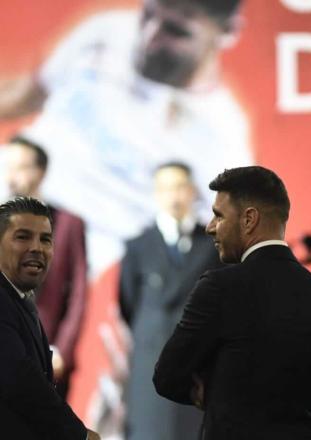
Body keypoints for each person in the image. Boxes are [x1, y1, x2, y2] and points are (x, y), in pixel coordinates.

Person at [0, 0, 252, 273]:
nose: (150, 37)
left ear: (227, 31)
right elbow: (28, 96)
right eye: (148, 16)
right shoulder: (108, 32)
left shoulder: (220, 137)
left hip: (62, 248)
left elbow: (223, 242)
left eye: (176, 31)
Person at [153, 166, 311, 439]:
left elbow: (168, 377)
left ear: (249, 219)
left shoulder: (220, 287)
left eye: (219, 216)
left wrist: (211, 388)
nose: (210, 227)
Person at [119, 162, 220, 440]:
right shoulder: (137, 247)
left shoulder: (215, 245)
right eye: (164, 189)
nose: (173, 196)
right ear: (155, 194)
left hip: (201, 369)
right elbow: (129, 304)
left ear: (192, 191)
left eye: (180, 187)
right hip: (150, 365)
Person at [0, 197, 99, 440]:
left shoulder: (19, 300)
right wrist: (79, 435)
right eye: (22, 237)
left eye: (46, 239)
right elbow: (21, 381)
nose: (37, 248)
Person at [2, 135, 87, 400]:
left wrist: (61, 349)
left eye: (21, 167)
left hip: (46, 354)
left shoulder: (67, 223)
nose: (12, 175)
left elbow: (78, 293)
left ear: (40, 171)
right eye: (9, 166)